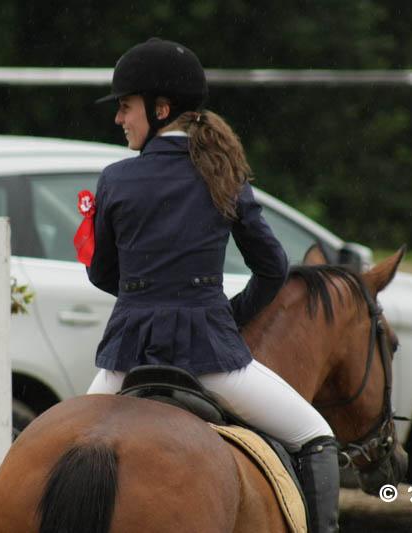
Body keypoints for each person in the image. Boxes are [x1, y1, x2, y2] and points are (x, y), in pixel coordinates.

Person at [84, 38, 339, 533]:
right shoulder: (223, 175)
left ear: (160, 109)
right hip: (211, 358)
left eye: (125, 107)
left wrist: (144, 297)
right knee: (314, 435)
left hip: (125, 360)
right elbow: (273, 267)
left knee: (62, 442)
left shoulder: (115, 179)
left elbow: (101, 273)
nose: (119, 118)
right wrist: (227, 316)